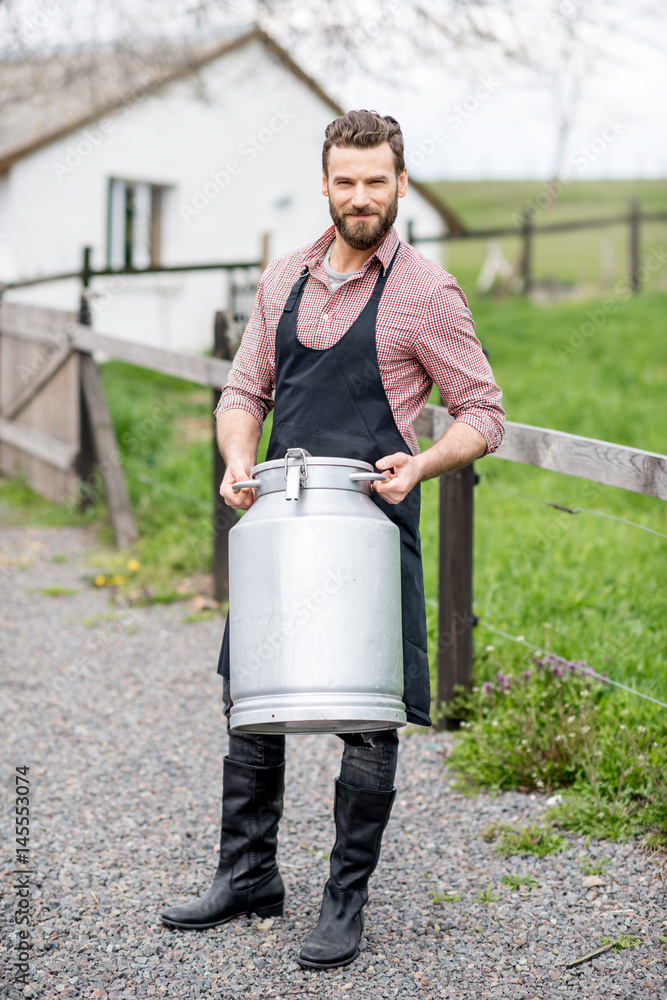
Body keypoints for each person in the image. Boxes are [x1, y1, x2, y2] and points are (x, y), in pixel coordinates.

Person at [161, 109, 505, 968]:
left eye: (376, 182)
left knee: (367, 716)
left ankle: (342, 902)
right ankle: (246, 876)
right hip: (282, 521)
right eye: (344, 181)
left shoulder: (426, 293)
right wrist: (238, 461)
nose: (360, 198)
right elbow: (244, 390)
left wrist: (422, 466)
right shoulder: (284, 278)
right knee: (251, 699)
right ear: (325, 182)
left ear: (399, 183)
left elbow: (483, 413)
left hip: (368, 524)